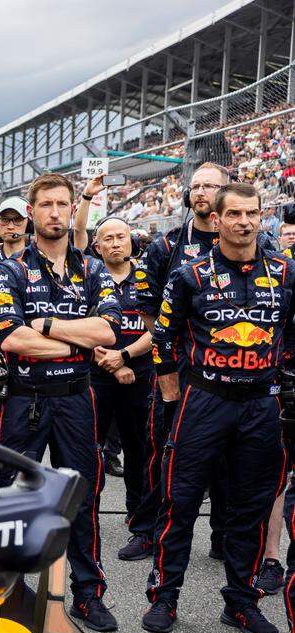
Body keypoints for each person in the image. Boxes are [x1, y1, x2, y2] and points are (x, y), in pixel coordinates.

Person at [143, 182, 293, 633]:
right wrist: (172, 397)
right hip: (202, 400)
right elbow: (163, 342)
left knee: (249, 506)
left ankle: (241, 602)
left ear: (260, 215)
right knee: (181, 500)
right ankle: (165, 596)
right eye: (235, 214)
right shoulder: (190, 274)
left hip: (261, 405)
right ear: (218, 219)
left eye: (252, 213)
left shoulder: (286, 271)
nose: (244, 222)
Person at [0, 172, 122, 633]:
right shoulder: (10, 269)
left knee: (83, 496)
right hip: (24, 399)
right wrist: (75, 339)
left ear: (71, 209)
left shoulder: (93, 268)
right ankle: (1, 595)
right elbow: (11, 338)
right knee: (10, 497)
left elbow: (108, 331)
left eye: (62, 204)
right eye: (45, 204)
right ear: (32, 213)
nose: (54, 212)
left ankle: (88, 593)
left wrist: (44, 325)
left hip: (75, 401)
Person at [127, 162, 234, 562]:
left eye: (211, 186)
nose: (202, 192)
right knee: (163, 449)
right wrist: (169, 355)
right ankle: (147, 530)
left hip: (230, 373)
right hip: (176, 369)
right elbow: (151, 314)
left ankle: (223, 536)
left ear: (227, 192)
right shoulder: (166, 246)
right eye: (196, 186)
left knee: (227, 458)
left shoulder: (252, 244)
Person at [87, 217, 152, 520]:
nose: (115, 243)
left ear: (131, 241)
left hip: (140, 376)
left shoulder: (149, 279)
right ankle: (87, 513)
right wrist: (113, 365)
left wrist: (124, 357)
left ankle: (137, 516)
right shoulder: (87, 279)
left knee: (139, 449)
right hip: (96, 377)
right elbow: (78, 329)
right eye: (108, 238)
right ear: (97, 247)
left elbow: (160, 329)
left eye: (120, 237)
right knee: (89, 448)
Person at [0, 196, 31, 260]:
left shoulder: (40, 262)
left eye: (17, 220)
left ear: (29, 224)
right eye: (5, 219)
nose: (10, 227)